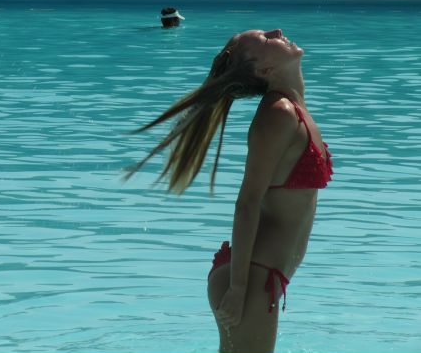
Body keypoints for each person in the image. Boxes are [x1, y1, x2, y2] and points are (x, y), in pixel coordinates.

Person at [125, 29, 333, 352]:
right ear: (265, 70)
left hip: (257, 274)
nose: (276, 32)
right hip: (250, 278)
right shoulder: (278, 114)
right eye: (266, 39)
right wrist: (238, 289)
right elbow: (247, 203)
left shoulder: (293, 109)